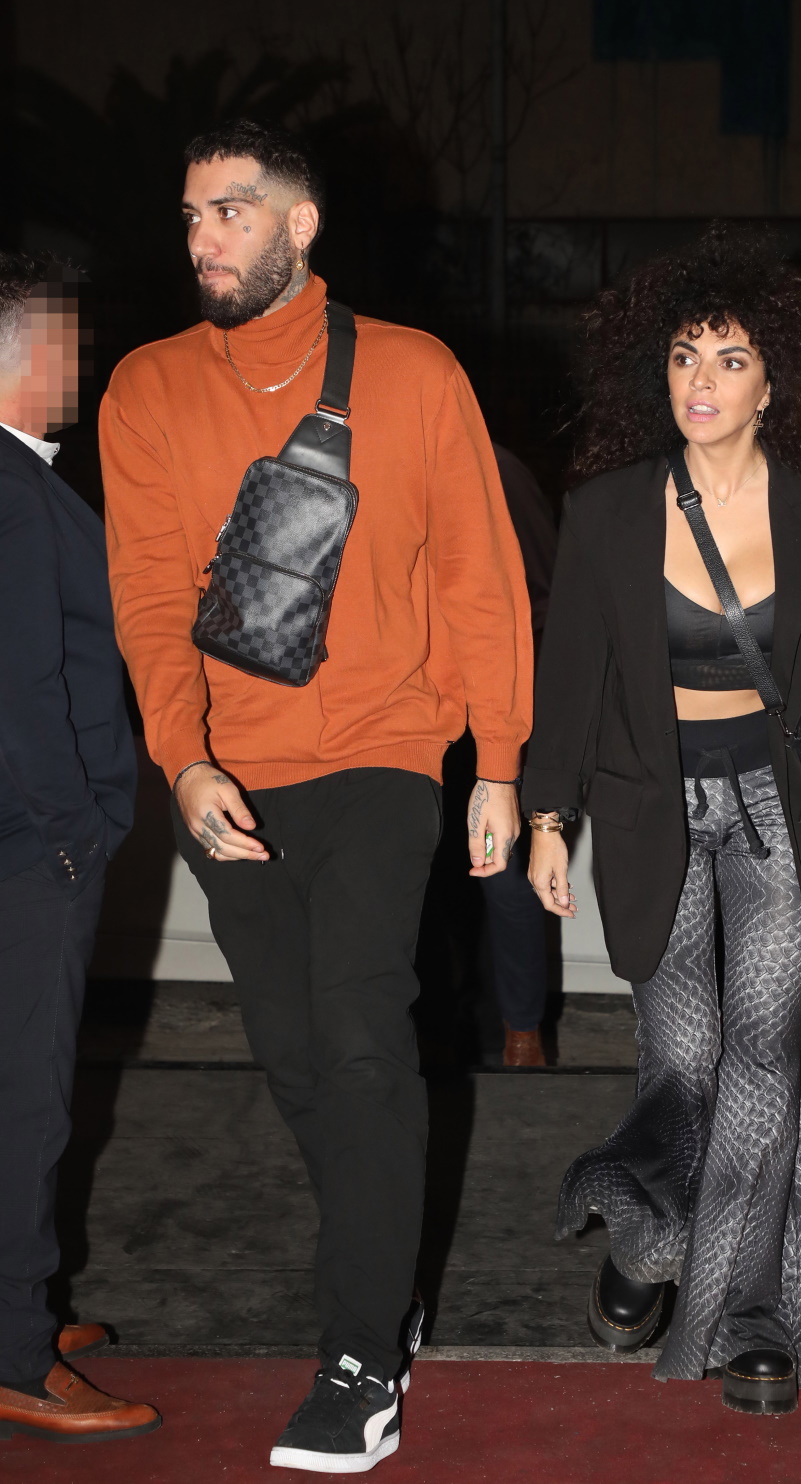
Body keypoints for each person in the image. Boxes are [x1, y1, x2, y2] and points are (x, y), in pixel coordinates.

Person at [99, 120, 531, 1473]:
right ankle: (383, 1261)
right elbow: (150, 599)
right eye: (190, 215)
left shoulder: (414, 371)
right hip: (233, 776)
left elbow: (477, 575)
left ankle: (359, 1358)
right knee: (294, 1055)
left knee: (357, 1037)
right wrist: (185, 760)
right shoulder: (146, 389)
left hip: (386, 752)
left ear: (301, 225)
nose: (204, 238)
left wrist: (499, 760)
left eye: (231, 211)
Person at [522, 228, 801, 1415]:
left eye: (730, 359)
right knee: (682, 1061)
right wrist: (548, 815)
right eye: (685, 355)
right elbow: (570, 677)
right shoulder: (605, 512)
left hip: (783, 808)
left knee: (762, 1056)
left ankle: (750, 1316)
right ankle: (647, 1239)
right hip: (651, 807)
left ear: (773, 382)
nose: (701, 380)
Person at [0, 255, 158, 1443]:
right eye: (63, 339)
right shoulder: (13, 488)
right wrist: (74, 833)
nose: (79, 361)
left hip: (25, 840)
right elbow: (23, 686)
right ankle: (15, 1351)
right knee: (29, 1099)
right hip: (28, 851)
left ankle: (21, 1308)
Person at [484, 445, 558, 1066]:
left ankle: (522, 1034)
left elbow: (545, 594)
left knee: (504, 871)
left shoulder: (498, 471)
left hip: (502, 706)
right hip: (408, 707)